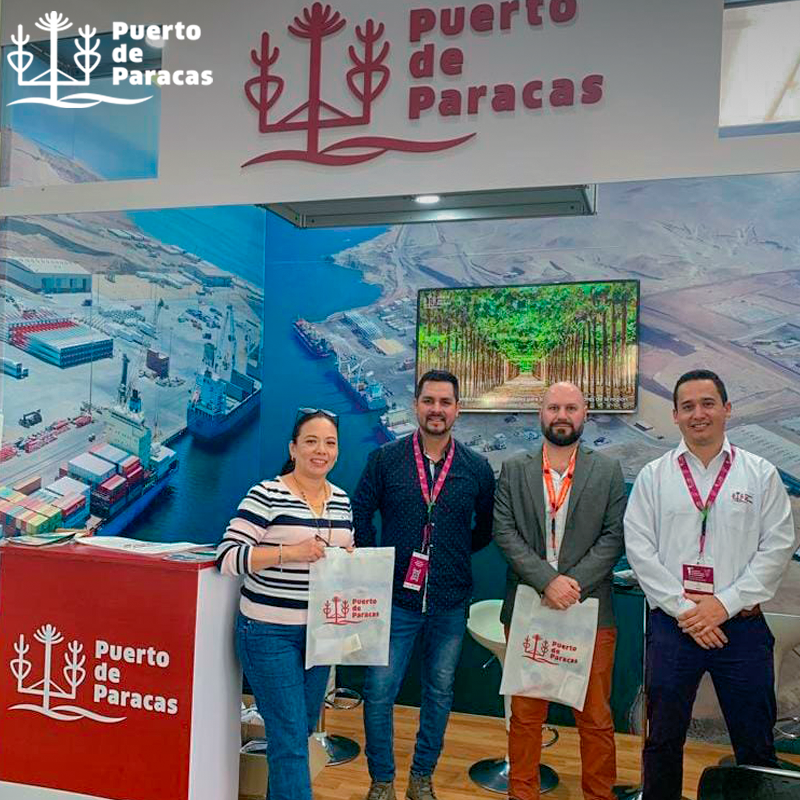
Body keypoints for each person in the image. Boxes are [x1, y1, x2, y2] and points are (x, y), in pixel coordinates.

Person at [624, 369, 796, 800]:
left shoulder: (759, 474)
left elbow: (777, 546)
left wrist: (723, 604)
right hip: (674, 627)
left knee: (755, 740)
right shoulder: (654, 476)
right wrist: (688, 610)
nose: (698, 414)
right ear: (676, 416)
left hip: (741, 627)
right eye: (687, 407)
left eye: (707, 404)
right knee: (662, 739)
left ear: (726, 409)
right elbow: (640, 550)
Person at [353, 369, 496, 800]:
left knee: (439, 691)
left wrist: (450, 556)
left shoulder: (476, 468)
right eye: (429, 401)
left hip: (450, 601)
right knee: (379, 691)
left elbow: (485, 530)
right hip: (395, 599)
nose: (437, 409)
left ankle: (421, 777)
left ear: (457, 409)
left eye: (445, 402)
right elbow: (360, 512)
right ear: (416, 405)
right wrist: (377, 565)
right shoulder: (386, 460)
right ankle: (382, 781)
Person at [493, 381, 626, 800]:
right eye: (554, 408)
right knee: (526, 714)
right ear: (541, 414)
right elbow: (504, 531)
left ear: (585, 414)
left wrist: (573, 585)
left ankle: (598, 795)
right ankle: (522, 793)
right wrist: (547, 581)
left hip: (590, 609)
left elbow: (613, 538)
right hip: (530, 605)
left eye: (571, 408)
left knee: (595, 717)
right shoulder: (514, 469)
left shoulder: (608, 470)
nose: (562, 416)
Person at [216, 408, 354, 800]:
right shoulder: (266, 494)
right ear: (293, 449)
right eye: (311, 441)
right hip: (268, 633)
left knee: (295, 734)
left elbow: (343, 557)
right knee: (291, 739)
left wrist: (350, 560)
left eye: (329, 443)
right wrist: (290, 552)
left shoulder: (341, 500)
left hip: (319, 635)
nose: (320, 450)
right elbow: (228, 556)